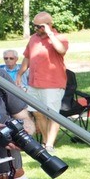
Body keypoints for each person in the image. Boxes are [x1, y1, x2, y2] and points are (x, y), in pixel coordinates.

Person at [24, 13, 70, 154]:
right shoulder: (33, 38)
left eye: (40, 26)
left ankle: (49, 145)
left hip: (53, 84)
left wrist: (50, 34)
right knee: (37, 113)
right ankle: (45, 141)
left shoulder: (60, 38)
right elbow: (27, 57)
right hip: (34, 83)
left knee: (53, 115)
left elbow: (61, 50)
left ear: (49, 25)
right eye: (35, 25)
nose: (36, 28)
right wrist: (20, 74)